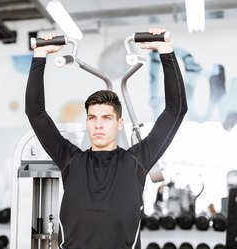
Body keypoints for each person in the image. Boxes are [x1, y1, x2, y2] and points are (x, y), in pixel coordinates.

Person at [25, 28, 188, 249]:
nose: (98, 124)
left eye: (106, 118)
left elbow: (175, 110)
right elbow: (35, 112)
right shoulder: (71, 160)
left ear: (119, 123)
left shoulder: (136, 160)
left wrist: (165, 50)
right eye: (92, 117)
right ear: (87, 122)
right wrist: (40, 56)